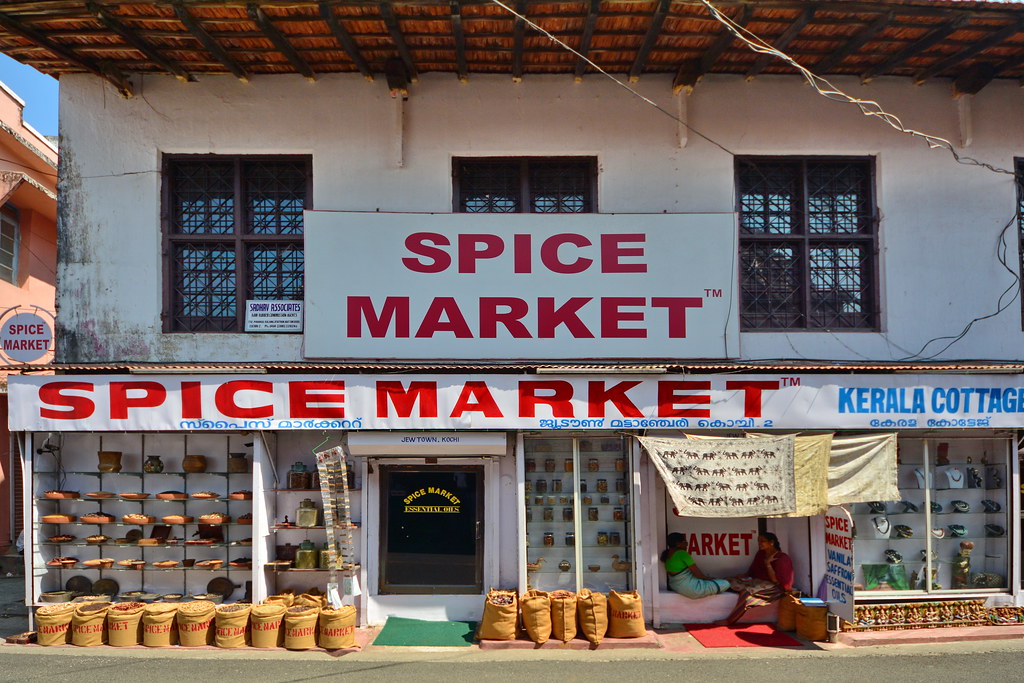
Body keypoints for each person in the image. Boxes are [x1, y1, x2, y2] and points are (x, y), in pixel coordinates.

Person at [714, 531, 794, 626]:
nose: (759, 543)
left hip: (773, 587)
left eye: (762, 541)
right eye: (758, 541)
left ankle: (730, 620)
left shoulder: (782, 558)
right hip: (757, 582)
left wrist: (768, 564)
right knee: (728, 581)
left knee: (746, 593)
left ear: (771, 542)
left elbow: (776, 580)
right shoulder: (760, 554)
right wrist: (743, 575)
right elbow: (752, 571)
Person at [661, 532, 730, 599]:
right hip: (693, 590)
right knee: (726, 583)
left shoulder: (667, 556)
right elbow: (699, 575)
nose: (687, 545)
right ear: (678, 544)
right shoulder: (682, 554)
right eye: (685, 542)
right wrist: (711, 579)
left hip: (676, 587)